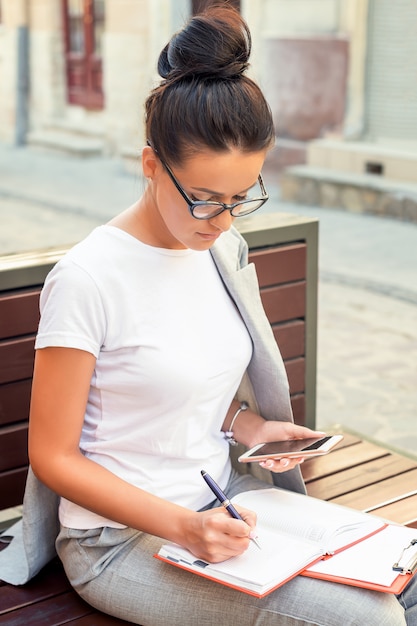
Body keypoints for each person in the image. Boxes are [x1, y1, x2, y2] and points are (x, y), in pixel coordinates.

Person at [20, 6, 417, 626]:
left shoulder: (222, 251)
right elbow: (53, 456)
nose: (224, 222)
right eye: (204, 199)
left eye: (241, 199)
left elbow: (181, 381)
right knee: (373, 620)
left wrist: (250, 427)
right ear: (150, 164)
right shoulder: (88, 278)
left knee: (406, 574)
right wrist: (183, 525)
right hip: (120, 540)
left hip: (228, 505)